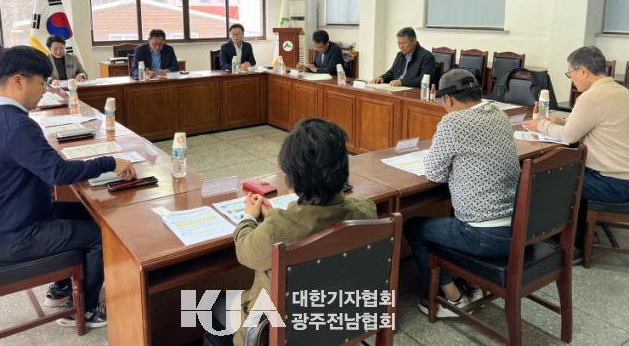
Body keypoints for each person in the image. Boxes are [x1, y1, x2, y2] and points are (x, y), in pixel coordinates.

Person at [0, 46, 137, 328]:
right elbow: (58, 173)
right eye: (42, 83)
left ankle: (62, 286)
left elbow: (43, 164)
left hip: (6, 221)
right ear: (18, 80)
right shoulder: (16, 125)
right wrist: (110, 162)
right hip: (17, 236)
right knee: (101, 235)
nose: (45, 90)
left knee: (92, 214)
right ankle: (84, 309)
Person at [204, 119, 377, 346]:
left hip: (275, 329)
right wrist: (274, 219)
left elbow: (245, 252)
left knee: (208, 305)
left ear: (291, 180)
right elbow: (311, 221)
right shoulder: (366, 212)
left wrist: (249, 217)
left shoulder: (279, 229)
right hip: (338, 318)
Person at [404, 69, 520, 318]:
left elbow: (434, 173)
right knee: (450, 211)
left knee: (413, 227)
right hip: (517, 228)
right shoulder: (499, 114)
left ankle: (454, 299)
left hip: (482, 236)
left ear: (448, 99)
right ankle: (468, 281)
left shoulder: (453, 122)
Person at [524, 46, 629, 202]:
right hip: (622, 178)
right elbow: (594, 122)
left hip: (612, 182)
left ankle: (565, 220)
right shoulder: (622, 92)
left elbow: (569, 136)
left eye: (570, 73)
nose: (571, 79)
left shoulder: (591, 97)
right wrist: (561, 121)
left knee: (542, 179)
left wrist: (540, 125)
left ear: (583, 71)